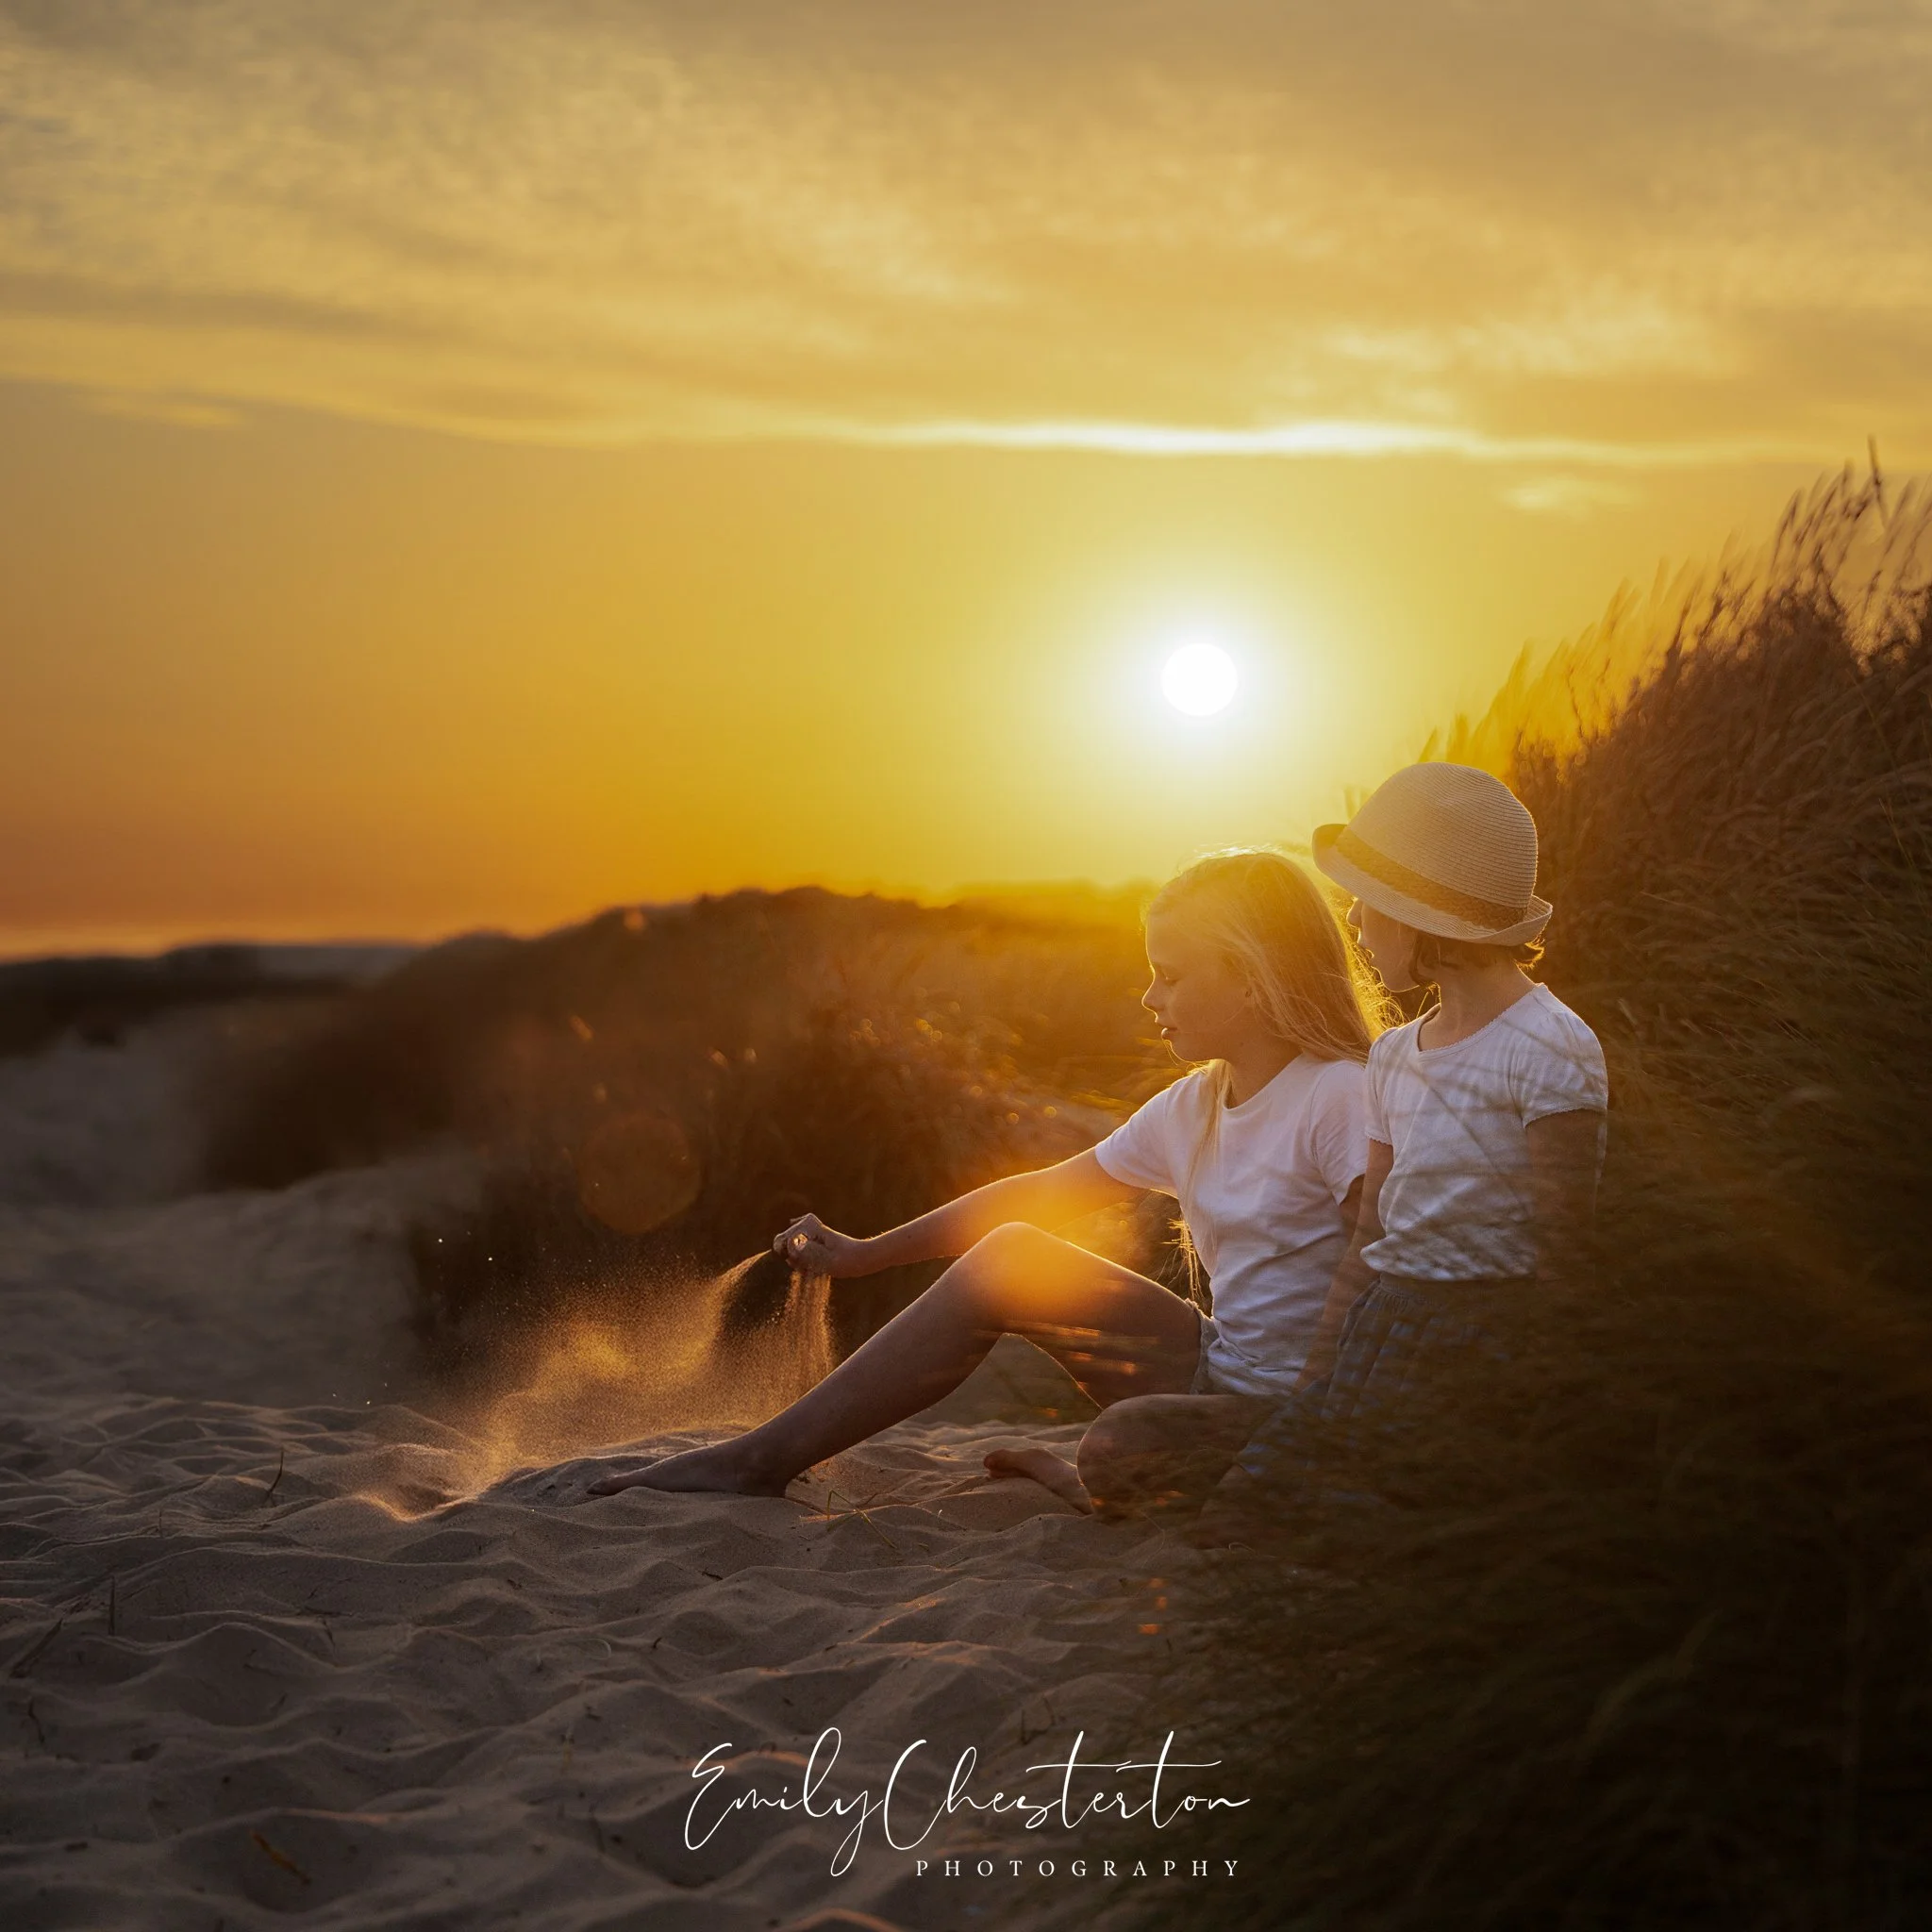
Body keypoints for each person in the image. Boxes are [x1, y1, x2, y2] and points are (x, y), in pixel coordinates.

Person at [587, 848, 1380, 1514]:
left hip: (1312, 1412)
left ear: (1248, 977)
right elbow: (1037, 1195)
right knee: (1012, 1254)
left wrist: (1315, 1422)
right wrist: (865, 1254)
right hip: (1213, 1368)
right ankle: (761, 1458)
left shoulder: (1337, 1096)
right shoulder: (1193, 1105)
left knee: (1118, 1446)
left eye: (1171, 976)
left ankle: (1084, 1481)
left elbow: (1385, 1275)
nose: (1150, 998)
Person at [1223, 762, 1608, 1505]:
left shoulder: (1551, 1043)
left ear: (1416, 916)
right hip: (1383, 1324)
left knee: (1361, 1526)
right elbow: (1370, 1233)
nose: (1354, 925)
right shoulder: (1396, 1054)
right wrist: (1316, 1385)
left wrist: (1546, 1417)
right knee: (1237, 1509)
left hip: (1479, 1338)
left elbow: (1566, 1252)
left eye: (1366, 904)